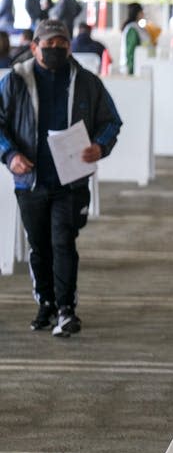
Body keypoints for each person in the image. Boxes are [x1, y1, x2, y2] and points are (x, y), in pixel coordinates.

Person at [0, 19, 122, 337]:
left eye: (61, 44)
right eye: (48, 44)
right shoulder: (15, 81)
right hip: (30, 182)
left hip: (71, 183)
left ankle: (66, 309)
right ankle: (46, 304)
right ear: (34, 46)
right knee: (39, 247)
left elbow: (111, 121)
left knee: (63, 243)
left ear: (69, 46)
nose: (55, 49)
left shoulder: (85, 81)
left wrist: (100, 145)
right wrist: (10, 155)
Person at [119, 2, 148, 75]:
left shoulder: (137, 27)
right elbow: (130, 51)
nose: (143, 13)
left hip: (138, 66)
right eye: (142, 11)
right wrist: (131, 68)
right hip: (132, 69)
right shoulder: (132, 29)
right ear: (138, 13)